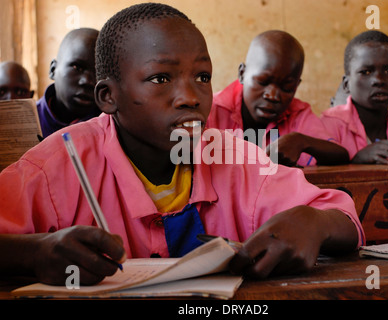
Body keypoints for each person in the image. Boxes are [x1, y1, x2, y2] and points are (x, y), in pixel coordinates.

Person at [0, 3, 364, 286]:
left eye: (202, 76)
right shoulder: (55, 169)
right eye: (161, 77)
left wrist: (313, 222)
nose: (190, 97)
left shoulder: (231, 156)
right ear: (108, 96)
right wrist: (33, 253)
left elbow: (346, 221)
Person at [207, 30, 349, 167]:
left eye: (286, 88)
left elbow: (340, 155)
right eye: (262, 82)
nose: (272, 96)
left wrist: (301, 141)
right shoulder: (210, 110)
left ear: (296, 85)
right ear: (242, 74)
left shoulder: (297, 114)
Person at [321, 30, 388, 165]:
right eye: (366, 72)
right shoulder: (327, 128)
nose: (378, 80)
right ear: (346, 84)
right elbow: (314, 179)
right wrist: (355, 161)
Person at [36, 28, 101, 139]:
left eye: (98, 72)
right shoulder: (27, 123)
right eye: (77, 67)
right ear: (53, 70)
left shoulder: (113, 126)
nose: (88, 81)